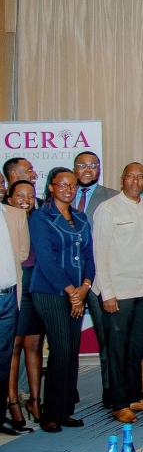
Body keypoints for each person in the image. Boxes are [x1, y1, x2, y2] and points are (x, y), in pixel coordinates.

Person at [92, 164, 143, 424]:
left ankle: (134, 397)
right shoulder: (107, 209)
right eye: (130, 176)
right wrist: (107, 292)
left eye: (140, 177)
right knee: (117, 350)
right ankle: (119, 403)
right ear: (122, 180)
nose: (135, 181)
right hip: (118, 292)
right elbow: (99, 253)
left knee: (137, 349)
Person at [29, 168, 95, 432]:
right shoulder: (41, 217)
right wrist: (72, 292)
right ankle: (51, 414)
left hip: (78, 292)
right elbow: (47, 260)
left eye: (72, 185)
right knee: (61, 350)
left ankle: (66, 409)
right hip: (50, 292)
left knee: (71, 353)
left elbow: (89, 256)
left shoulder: (80, 217)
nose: (68, 189)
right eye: (62, 184)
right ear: (51, 187)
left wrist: (85, 287)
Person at [69, 152, 118, 409]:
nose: (88, 169)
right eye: (82, 165)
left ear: (99, 169)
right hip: (67, 281)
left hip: (99, 277)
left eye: (93, 165)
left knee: (106, 335)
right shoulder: (63, 194)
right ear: (74, 168)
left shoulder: (110, 197)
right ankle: (67, 388)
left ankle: (110, 389)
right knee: (65, 339)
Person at [5, 181, 40, 431]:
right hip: (15, 287)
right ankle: (13, 402)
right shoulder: (7, 219)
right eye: (20, 195)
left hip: (37, 288)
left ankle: (36, 400)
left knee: (34, 346)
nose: (25, 199)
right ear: (9, 197)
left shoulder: (40, 218)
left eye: (30, 195)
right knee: (13, 348)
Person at [0, 183, 30, 435]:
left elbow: (22, 254)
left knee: (3, 359)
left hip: (9, 297)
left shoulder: (16, 215)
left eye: (1, 182)